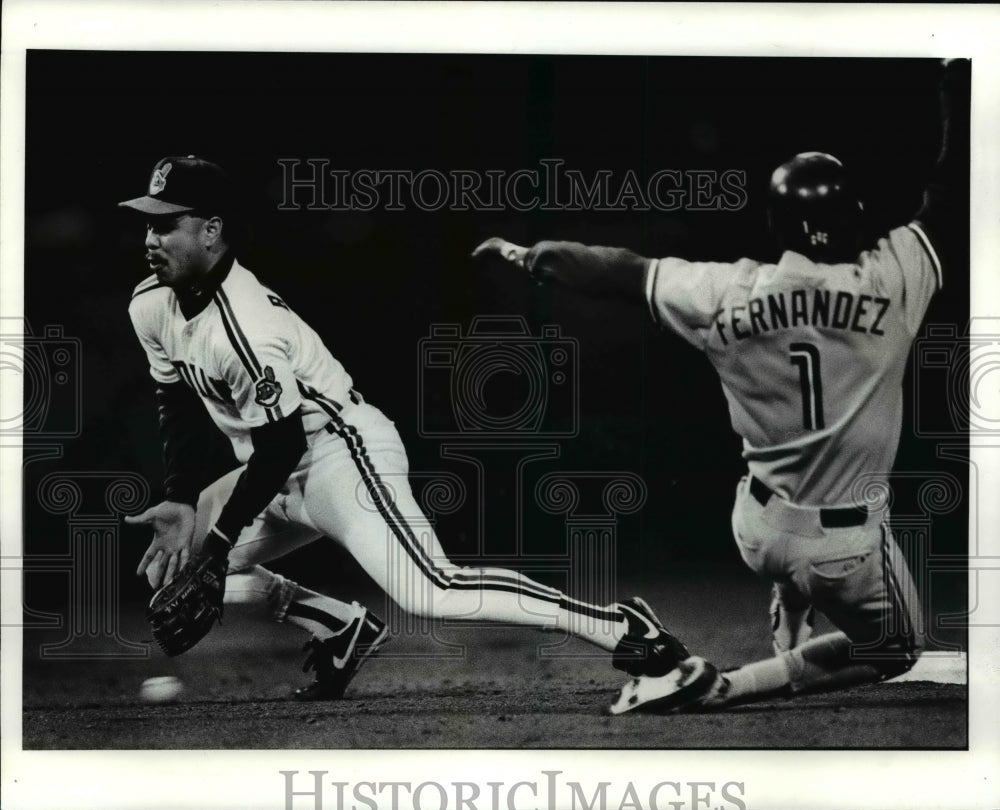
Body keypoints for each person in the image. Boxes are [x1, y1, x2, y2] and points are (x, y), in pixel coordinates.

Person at [472, 59, 967, 714]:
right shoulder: (892, 281)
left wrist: (533, 256)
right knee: (896, 648)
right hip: (845, 550)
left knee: (794, 530)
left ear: (774, 226)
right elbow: (954, 190)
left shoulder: (726, 293)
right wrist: (959, 88)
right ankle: (727, 685)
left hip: (756, 528)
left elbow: (622, 270)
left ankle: (791, 614)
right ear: (855, 219)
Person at [119, 155, 690, 703]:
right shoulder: (150, 304)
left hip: (338, 457)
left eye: (166, 225)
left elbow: (282, 445)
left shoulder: (245, 325)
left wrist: (219, 546)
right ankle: (339, 627)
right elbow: (176, 400)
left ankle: (617, 624)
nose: (150, 239)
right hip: (270, 468)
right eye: (147, 223)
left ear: (212, 230)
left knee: (432, 592)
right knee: (173, 563)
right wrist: (179, 501)